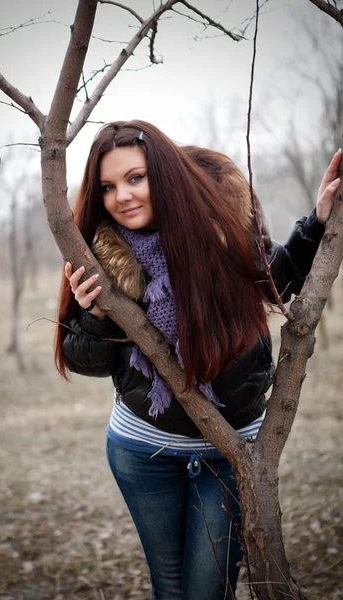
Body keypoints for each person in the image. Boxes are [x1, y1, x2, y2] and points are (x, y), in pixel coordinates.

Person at [54, 120, 341, 600]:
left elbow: (279, 280)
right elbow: (79, 357)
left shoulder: (220, 228)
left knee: (209, 590)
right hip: (143, 451)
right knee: (169, 588)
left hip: (230, 451)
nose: (121, 196)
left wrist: (317, 220)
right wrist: (102, 316)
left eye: (135, 178)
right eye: (107, 186)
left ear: (162, 175)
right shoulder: (104, 255)